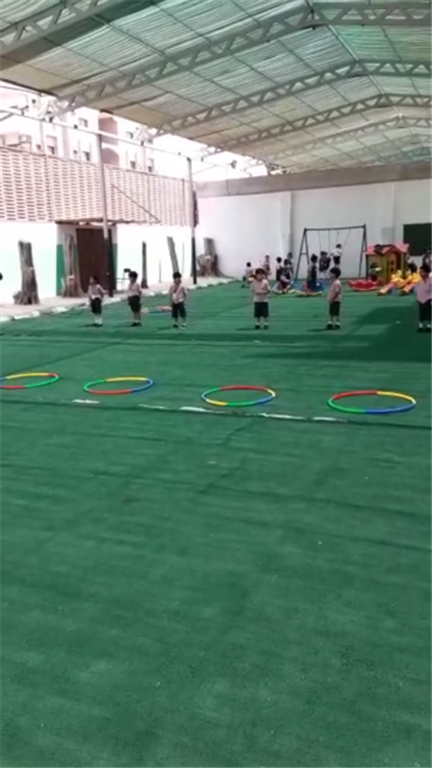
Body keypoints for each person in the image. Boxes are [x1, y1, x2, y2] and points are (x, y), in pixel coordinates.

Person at [416, 262, 432, 332]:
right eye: (420, 272)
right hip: (420, 299)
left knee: (429, 313)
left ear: (427, 273)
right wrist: (417, 298)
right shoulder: (420, 281)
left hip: (429, 299)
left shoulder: (431, 280)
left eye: (422, 272)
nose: (421, 274)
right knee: (421, 313)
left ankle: (429, 325)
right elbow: (418, 290)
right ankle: (421, 326)